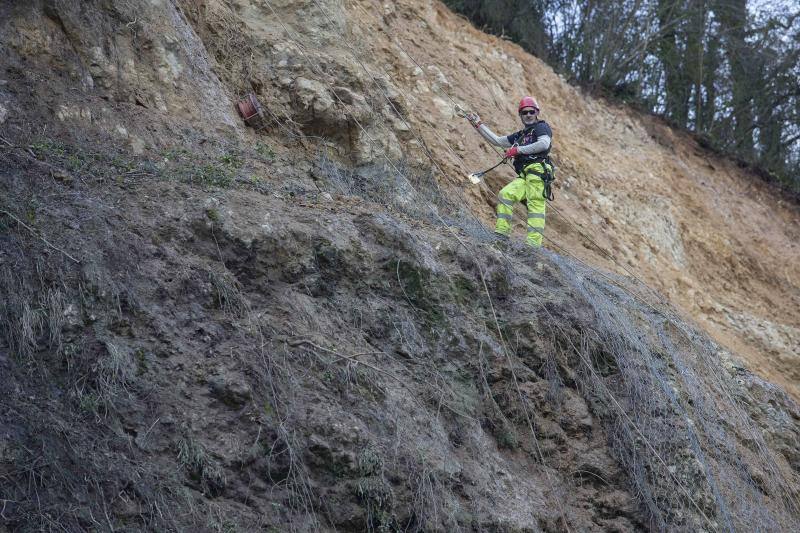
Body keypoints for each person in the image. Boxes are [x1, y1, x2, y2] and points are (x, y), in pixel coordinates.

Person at [467, 96, 554, 248]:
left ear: (536, 112)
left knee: (536, 208)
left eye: (531, 112)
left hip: (538, 171)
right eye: (524, 112)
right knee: (505, 194)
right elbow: (497, 141)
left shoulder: (541, 127)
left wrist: (517, 150)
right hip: (525, 175)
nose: (528, 114)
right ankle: (501, 235)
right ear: (520, 115)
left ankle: (532, 247)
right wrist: (478, 124)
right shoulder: (520, 135)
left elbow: (544, 144)